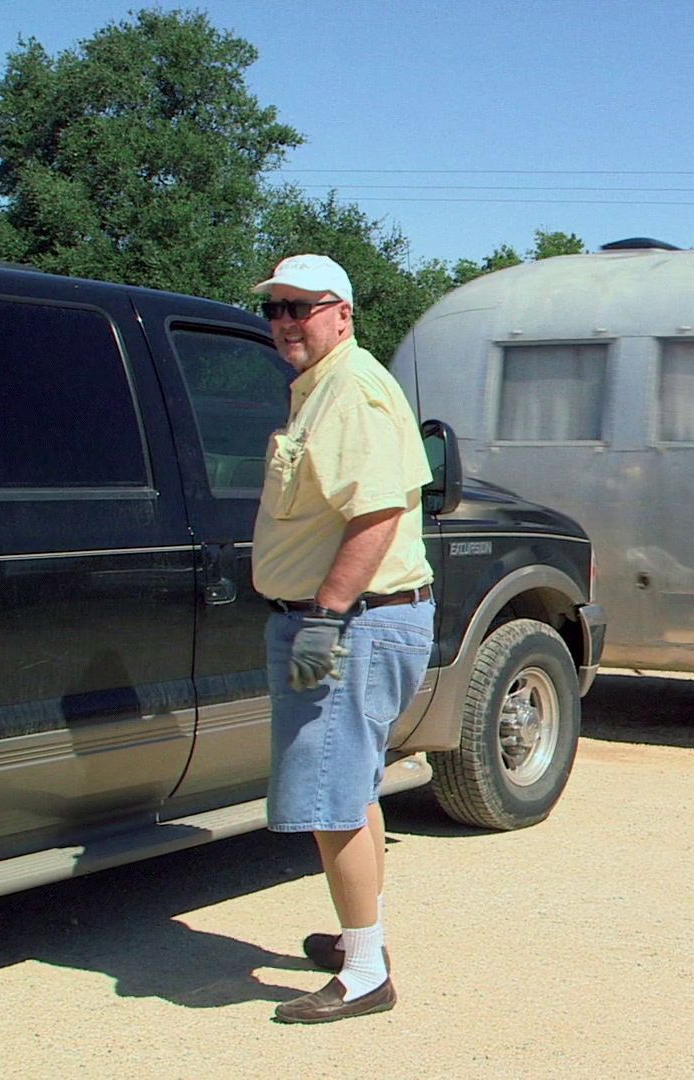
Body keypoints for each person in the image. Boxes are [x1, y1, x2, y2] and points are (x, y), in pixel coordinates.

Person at [249, 254, 435, 1024]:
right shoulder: (323, 387)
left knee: (330, 795)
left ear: (342, 313)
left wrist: (324, 616)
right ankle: (364, 940)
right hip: (354, 619)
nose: (286, 322)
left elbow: (377, 513)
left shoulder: (351, 389)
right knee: (351, 787)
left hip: (351, 623)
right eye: (275, 309)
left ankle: (365, 975)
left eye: (301, 307)